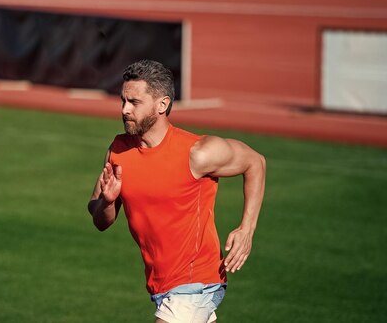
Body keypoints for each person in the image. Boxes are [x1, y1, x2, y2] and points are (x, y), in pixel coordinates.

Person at [87, 60, 266, 323]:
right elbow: (100, 219)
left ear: (162, 105)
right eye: (123, 100)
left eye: (134, 102)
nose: (125, 110)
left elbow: (255, 162)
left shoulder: (198, 153)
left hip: (195, 283)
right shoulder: (118, 150)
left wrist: (246, 229)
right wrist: (107, 201)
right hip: (161, 285)